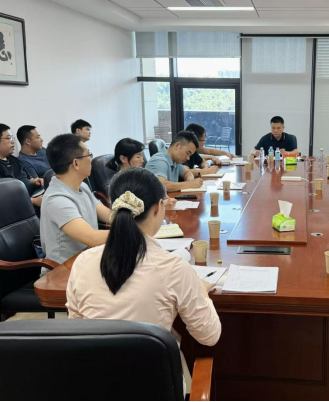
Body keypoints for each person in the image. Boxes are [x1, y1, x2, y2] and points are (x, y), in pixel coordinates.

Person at [66, 167, 221, 395]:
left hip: (94, 386)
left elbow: (76, 328)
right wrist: (201, 290)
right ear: (158, 207)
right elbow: (209, 336)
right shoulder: (173, 268)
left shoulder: (84, 261)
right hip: (155, 387)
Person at [41, 134, 111, 264]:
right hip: (65, 269)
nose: (91, 159)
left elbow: (107, 214)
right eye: (88, 154)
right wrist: (132, 230)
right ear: (76, 163)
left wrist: (133, 219)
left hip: (88, 257)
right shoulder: (57, 200)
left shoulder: (82, 186)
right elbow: (92, 238)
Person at [0, 124, 43, 208]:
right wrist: (32, 201)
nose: (12, 142)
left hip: (35, 196)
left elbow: (29, 178)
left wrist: (35, 181)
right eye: (9, 138)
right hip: (20, 208)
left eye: (12, 138)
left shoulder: (15, 160)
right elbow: (4, 197)